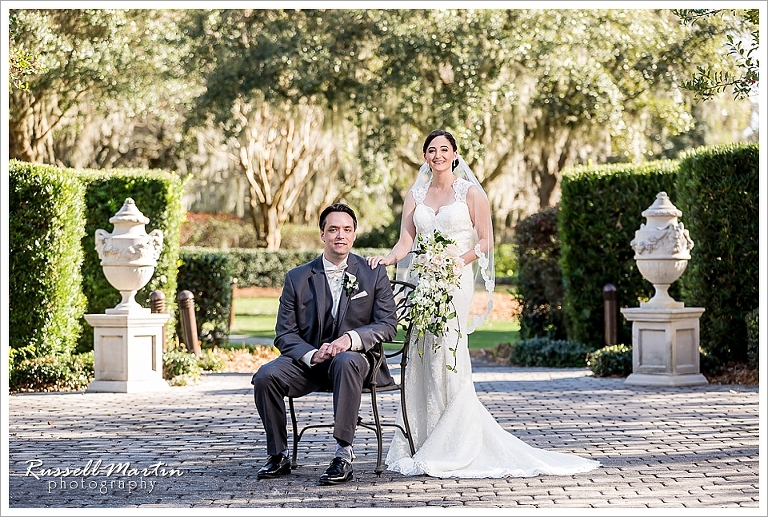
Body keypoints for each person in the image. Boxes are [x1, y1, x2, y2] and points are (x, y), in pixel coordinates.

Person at [368, 129, 601, 478]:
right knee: (422, 348)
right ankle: (421, 435)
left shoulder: (470, 192)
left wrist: (454, 262)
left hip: (455, 278)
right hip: (423, 280)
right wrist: (387, 259)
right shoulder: (415, 194)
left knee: (448, 347)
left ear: (455, 154)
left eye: (444, 149)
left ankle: (456, 438)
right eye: (431, 150)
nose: (437, 155)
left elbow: (487, 241)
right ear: (424, 156)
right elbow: (406, 239)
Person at [252, 203, 398, 485]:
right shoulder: (297, 278)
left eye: (346, 229)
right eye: (333, 229)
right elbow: (284, 333)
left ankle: (343, 454)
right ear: (322, 234)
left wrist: (349, 340)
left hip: (356, 361)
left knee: (345, 360)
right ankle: (278, 455)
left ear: (354, 234)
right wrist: (310, 354)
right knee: (265, 376)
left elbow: (387, 324)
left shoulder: (372, 273)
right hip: (309, 364)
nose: (340, 235)